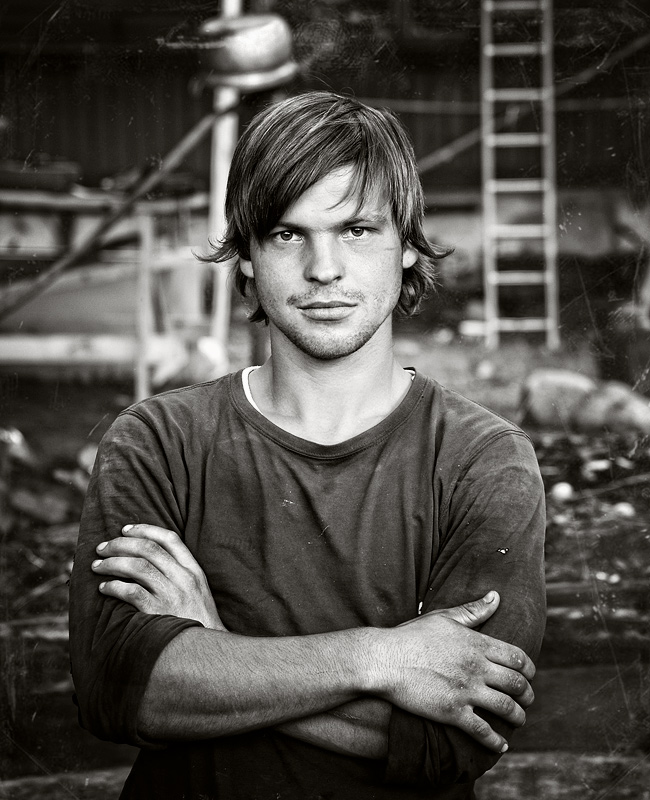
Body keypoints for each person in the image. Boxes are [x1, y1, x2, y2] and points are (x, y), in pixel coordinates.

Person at [68, 91, 546, 800]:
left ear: (407, 247)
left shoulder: (484, 459)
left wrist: (213, 649)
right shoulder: (158, 441)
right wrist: (380, 660)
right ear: (247, 257)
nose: (325, 269)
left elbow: (453, 739)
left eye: (357, 230)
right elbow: (118, 692)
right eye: (288, 234)